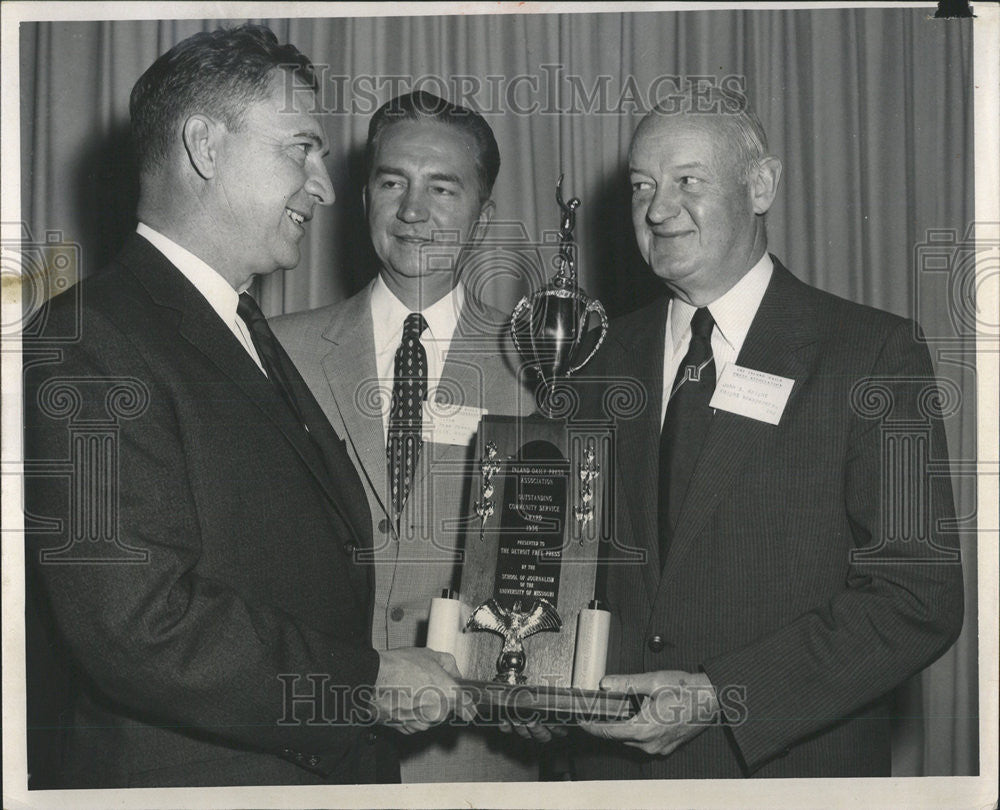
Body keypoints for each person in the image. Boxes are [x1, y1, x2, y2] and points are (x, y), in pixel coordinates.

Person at [22, 26, 471, 790]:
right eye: (300, 148)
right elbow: (138, 624)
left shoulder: (238, 330)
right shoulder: (87, 340)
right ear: (204, 146)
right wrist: (363, 684)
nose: (326, 186)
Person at [566, 89, 965, 777]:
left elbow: (918, 596)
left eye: (687, 182)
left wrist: (722, 696)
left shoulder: (871, 354)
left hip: (784, 772)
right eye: (642, 187)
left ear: (761, 185)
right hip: (610, 775)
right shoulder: (596, 360)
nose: (658, 211)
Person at [271, 91, 538, 782]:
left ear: (484, 216)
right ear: (363, 199)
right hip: (309, 755)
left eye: (442, 188)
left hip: (475, 761)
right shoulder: (275, 353)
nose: (413, 211)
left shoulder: (538, 368)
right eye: (393, 182)